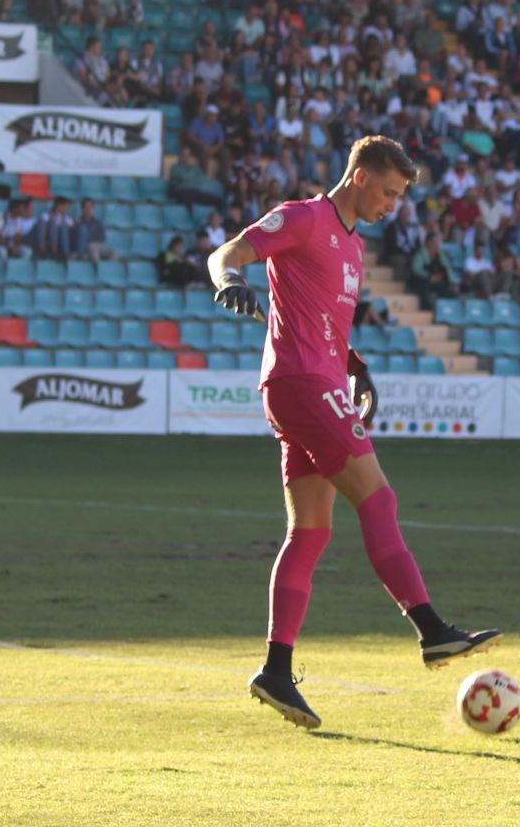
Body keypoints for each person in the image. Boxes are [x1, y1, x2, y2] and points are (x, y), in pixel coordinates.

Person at [206, 135, 500, 730]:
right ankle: (431, 630)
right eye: (389, 192)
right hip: (301, 384)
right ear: (361, 176)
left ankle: (276, 669)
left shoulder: (353, 246)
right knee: (379, 498)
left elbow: (322, 323)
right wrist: (229, 281)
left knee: (309, 532)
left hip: (317, 382)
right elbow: (226, 253)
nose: (393, 205)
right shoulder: (303, 218)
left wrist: (354, 364)